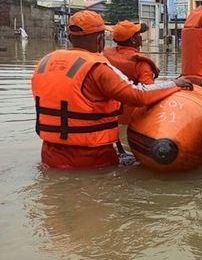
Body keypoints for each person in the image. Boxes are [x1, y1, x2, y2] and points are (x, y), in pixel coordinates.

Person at [31, 10, 193, 170]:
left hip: (49, 154)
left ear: (71, 37)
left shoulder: (44, 63)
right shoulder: (97, 68)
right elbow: (138, 95)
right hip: (92, 157)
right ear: (100, 40)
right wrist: (175, 84)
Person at [103, 20, 159, 84]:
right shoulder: (141, 63)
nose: (140, 37)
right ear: (133, 40)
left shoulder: (104, 55)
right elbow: (148, 91)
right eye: (138, 34)